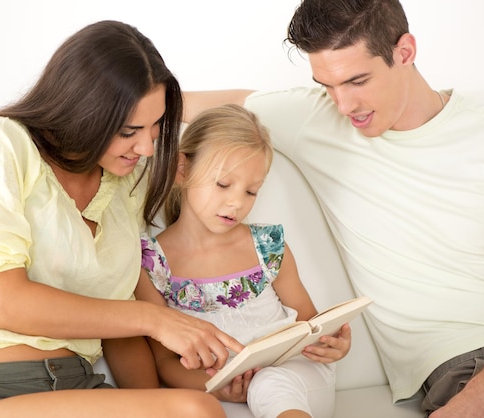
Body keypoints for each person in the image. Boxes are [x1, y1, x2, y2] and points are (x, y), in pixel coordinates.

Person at [181, 1, 484, 417]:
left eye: (357, 80)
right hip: (468, 363)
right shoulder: (312, 117)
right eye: (327, 85)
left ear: (404, 52)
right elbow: (166, 102)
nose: (343, 105)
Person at [0, 20, 244, 418]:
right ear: (81, 110)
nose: (145, 145)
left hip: (76, 384)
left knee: (196, 408)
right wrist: (154, 319)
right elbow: (5, 303)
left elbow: (258, 105)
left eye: (155, 127)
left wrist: (156, 397)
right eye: (128, 130)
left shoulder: (127, 184)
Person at [134, 103, 351, 418]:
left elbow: (309, 324)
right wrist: (219, 387)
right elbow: (165, 363)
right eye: (223, 185)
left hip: (295, 374)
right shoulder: (152, 264)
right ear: (182, 170)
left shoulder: (268, 246)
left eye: (251, 191)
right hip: (220, 385)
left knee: (270, 383)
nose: (237, 202)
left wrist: (332, 344)